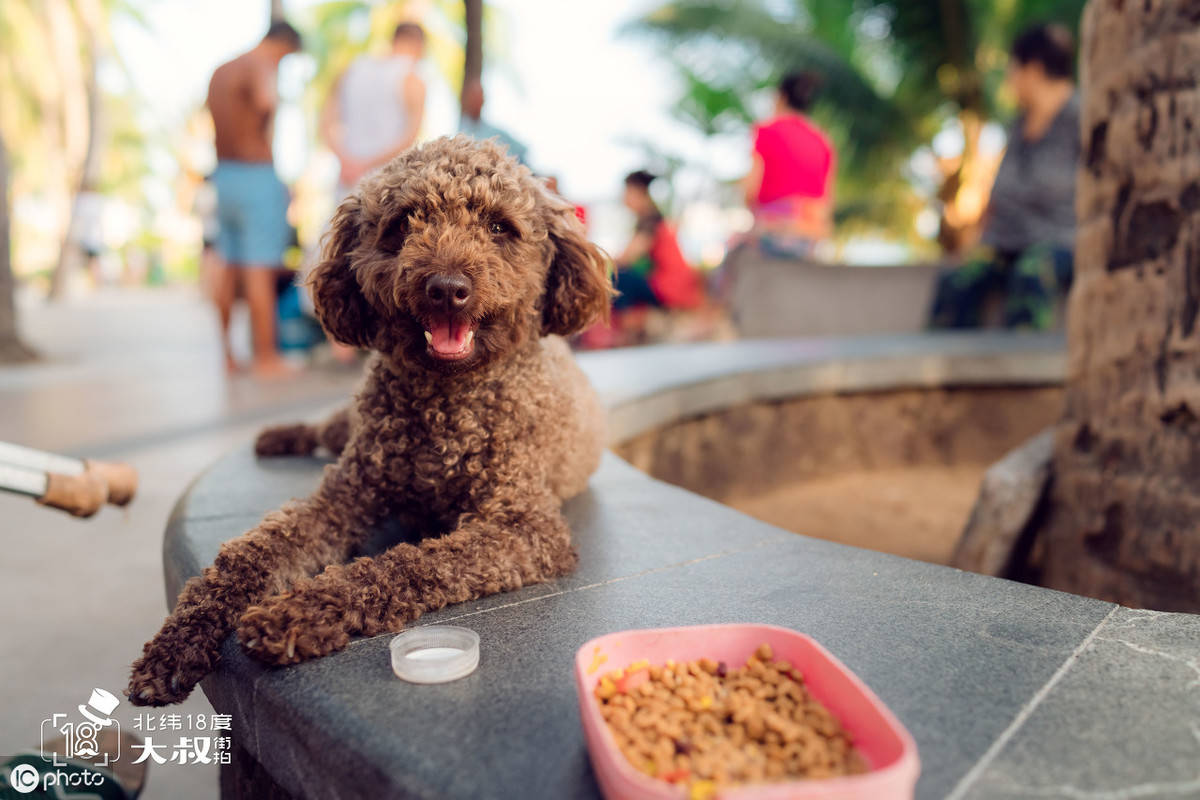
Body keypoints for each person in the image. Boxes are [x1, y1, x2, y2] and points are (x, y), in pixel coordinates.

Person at [930, 24, 1079, 330]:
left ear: (1034, 70)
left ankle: (1027, 373)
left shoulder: (1082, 118)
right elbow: (999, 195)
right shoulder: (1018, 125)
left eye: (1013, 69)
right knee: (957, 279)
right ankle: (951, 372)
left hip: (1061, 243)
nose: (1009, 79)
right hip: (1007, 243)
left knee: (1032, 274)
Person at [207, 20, 302, 377]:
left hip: (224, 175)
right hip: (255, 173)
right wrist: (266, 130)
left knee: (229, 265)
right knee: (260, 266)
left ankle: (229, 356)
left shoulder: (220, 71)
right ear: (281, 45)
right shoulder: (259, 64)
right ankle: (266, 357)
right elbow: (265, 101)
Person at [321, 21, 427, 198]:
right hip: (386, 184)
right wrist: (365, 166)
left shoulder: (352, 69)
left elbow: (325, 124)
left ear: (393, 40)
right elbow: (410, 138)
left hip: (346, 180)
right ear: (420, 46)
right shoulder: (412, 78)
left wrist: (346, 162)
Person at [743, 71, 835, 256]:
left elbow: (750, 190)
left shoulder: (766, 131)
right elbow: (826, 204)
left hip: (771, 235)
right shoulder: (824, 142)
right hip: (809, 241)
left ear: (781, 97)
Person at [612, 170, 701, 311]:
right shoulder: (651, 217)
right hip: (672, 284)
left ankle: (625, 328)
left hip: (670, 286)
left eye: (627, 193)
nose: (624, 199)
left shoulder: (650, 219)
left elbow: (628, 257)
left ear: (639, 192)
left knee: (617, 279)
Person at [458, 78, 529, 165]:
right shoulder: (459, 132)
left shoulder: (497, 133)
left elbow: (522, 152)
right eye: (473, 97)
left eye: (479, 97)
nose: (476, 101)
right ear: (465, 100)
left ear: (483, 100)